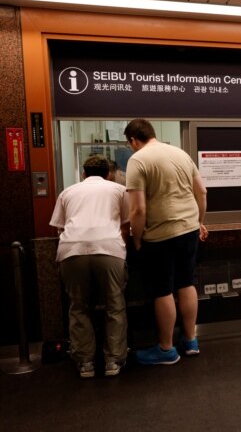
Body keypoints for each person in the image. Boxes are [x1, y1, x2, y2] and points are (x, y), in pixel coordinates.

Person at [124, 118, 208, 365]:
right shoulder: (180, 153)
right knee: (186, 282)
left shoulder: (138, 160)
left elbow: (137, 210)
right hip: (189, 230)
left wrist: (137, 238)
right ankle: (191, 340)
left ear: (133, 140)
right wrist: (200, 221)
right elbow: (201, 192)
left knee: (163, 290)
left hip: (160, 235)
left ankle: (166, 348)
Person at [49, 155, 130, 378]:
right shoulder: (118, 190)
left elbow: (59, 227)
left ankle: (85, 362)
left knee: (78, 306)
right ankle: (113, 361)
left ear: (83, 174)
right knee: (115, 304)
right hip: (108, 248)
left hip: (72, 250)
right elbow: (126, 225)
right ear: (109, 173)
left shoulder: (68, 192)